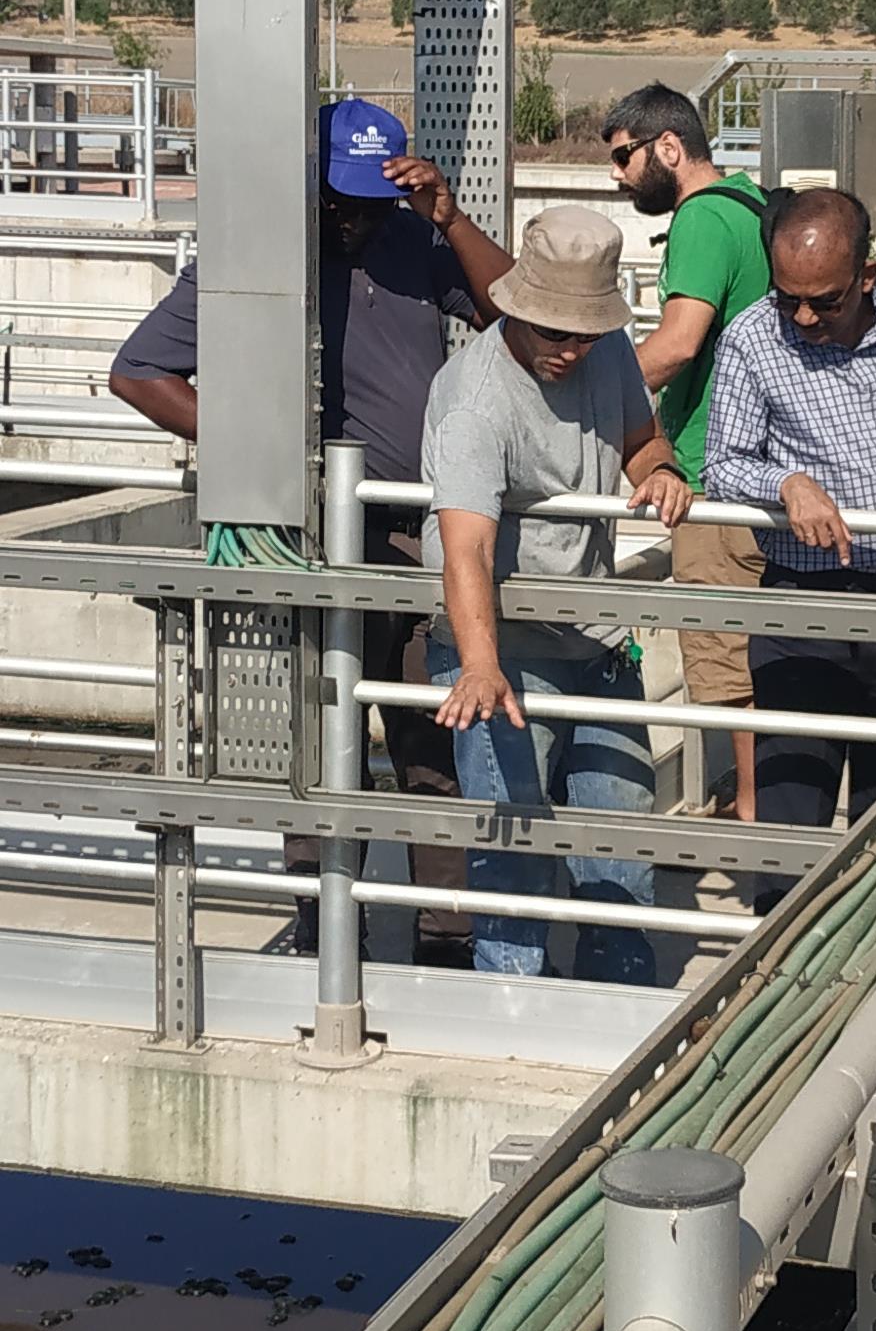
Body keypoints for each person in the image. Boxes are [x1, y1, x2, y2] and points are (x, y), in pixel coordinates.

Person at [109, 96, 510, 969]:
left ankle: (446, 930)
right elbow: (139, 371)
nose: (355, 218)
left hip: (414, 533)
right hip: (311, 538)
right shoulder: (253, 255)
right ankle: (320, 922)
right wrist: (260, 451)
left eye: (371, 199)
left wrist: (449, 218)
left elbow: (520, 319)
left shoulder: (419, 242)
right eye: (340, 199)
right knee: (315, 736)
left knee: (427, 733)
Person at [424, 205, 691, 983]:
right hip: (504, 657)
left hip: (599, 643)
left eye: (585, 331)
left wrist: (662, 474)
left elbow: (642, 441)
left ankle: (623, 1015)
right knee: (513, 861)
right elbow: (465, 545)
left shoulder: (607, 354)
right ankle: (512, 1023)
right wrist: (480, 665)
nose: (571, 349)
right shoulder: (475, 401)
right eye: (554, 332)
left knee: (622, 852)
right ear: (513, 307)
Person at [705, 189, 876, 846]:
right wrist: (787, 482)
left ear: (867, 275)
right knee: (790, 824)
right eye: (787, 297)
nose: (802, 316)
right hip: (802, 609)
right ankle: (779, 952)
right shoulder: (751, 336)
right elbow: (723, 466)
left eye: (825, 301)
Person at [601, 83, 770, 817]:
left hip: (712, 471)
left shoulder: (701, 219)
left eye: (623, 156)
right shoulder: (755, 208)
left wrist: (585, 391)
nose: (617, 174)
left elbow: (675, 347)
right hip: (764, 470)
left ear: (669, 147)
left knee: (728, 672)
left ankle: (754, 824)